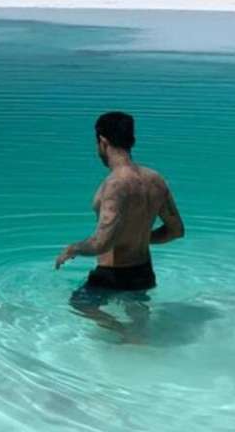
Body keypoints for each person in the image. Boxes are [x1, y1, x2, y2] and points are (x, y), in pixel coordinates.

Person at [54, 111, 185, 334]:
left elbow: (101, 244)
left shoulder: (115, 184)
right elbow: (176, 231)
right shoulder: (155, 179)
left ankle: (121, 333)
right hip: (144, 272)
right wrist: (141, 236)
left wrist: (72, 248)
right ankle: (136, 345)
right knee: (140, 326)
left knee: (80, 304)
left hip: (113, 275)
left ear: (103, 142)